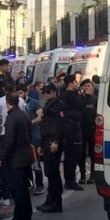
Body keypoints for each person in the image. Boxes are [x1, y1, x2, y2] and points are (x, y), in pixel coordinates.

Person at [0, 93, 34, 220]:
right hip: (25, 155)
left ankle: (19, 217)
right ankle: (26, 215)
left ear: (7, 103)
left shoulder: (12, 117)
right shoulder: (23, 114)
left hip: (16, 159)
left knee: (17, 189)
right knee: (23, 188)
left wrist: (1, 157)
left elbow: (9, 140)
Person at [36, 82, 65, 213]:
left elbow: (60, 125)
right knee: (49, 171)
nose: (45, 94)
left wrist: (56, 142)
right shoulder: (48, 105)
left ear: (54, 92)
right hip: (47, 140)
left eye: (48, 92)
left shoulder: (58, 105)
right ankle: (50, 199)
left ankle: (56, 202)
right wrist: (41, 144)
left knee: (53, 172)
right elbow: (44, 126)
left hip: (53, 141)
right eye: (44, 92)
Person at [59, 74, 85, 190]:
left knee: (74, 154)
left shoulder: (69, 94)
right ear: (70, 83)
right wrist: (85, 95)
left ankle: (70, 179)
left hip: (74, 126)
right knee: (72, 154)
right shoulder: (69, 95)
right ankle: (70, 180)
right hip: (72, 127)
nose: (77, 83)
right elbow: (80, 105)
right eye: (75, 81)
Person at [78, 79, 96, 184]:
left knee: (93, 153)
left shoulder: (95, 99)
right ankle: (83, 175)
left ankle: (92, 175)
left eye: (89, 85)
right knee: (81, 153)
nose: (87, 87)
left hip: (92, 129)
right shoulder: (79, 99)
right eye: (84, 85)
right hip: (81, 129)